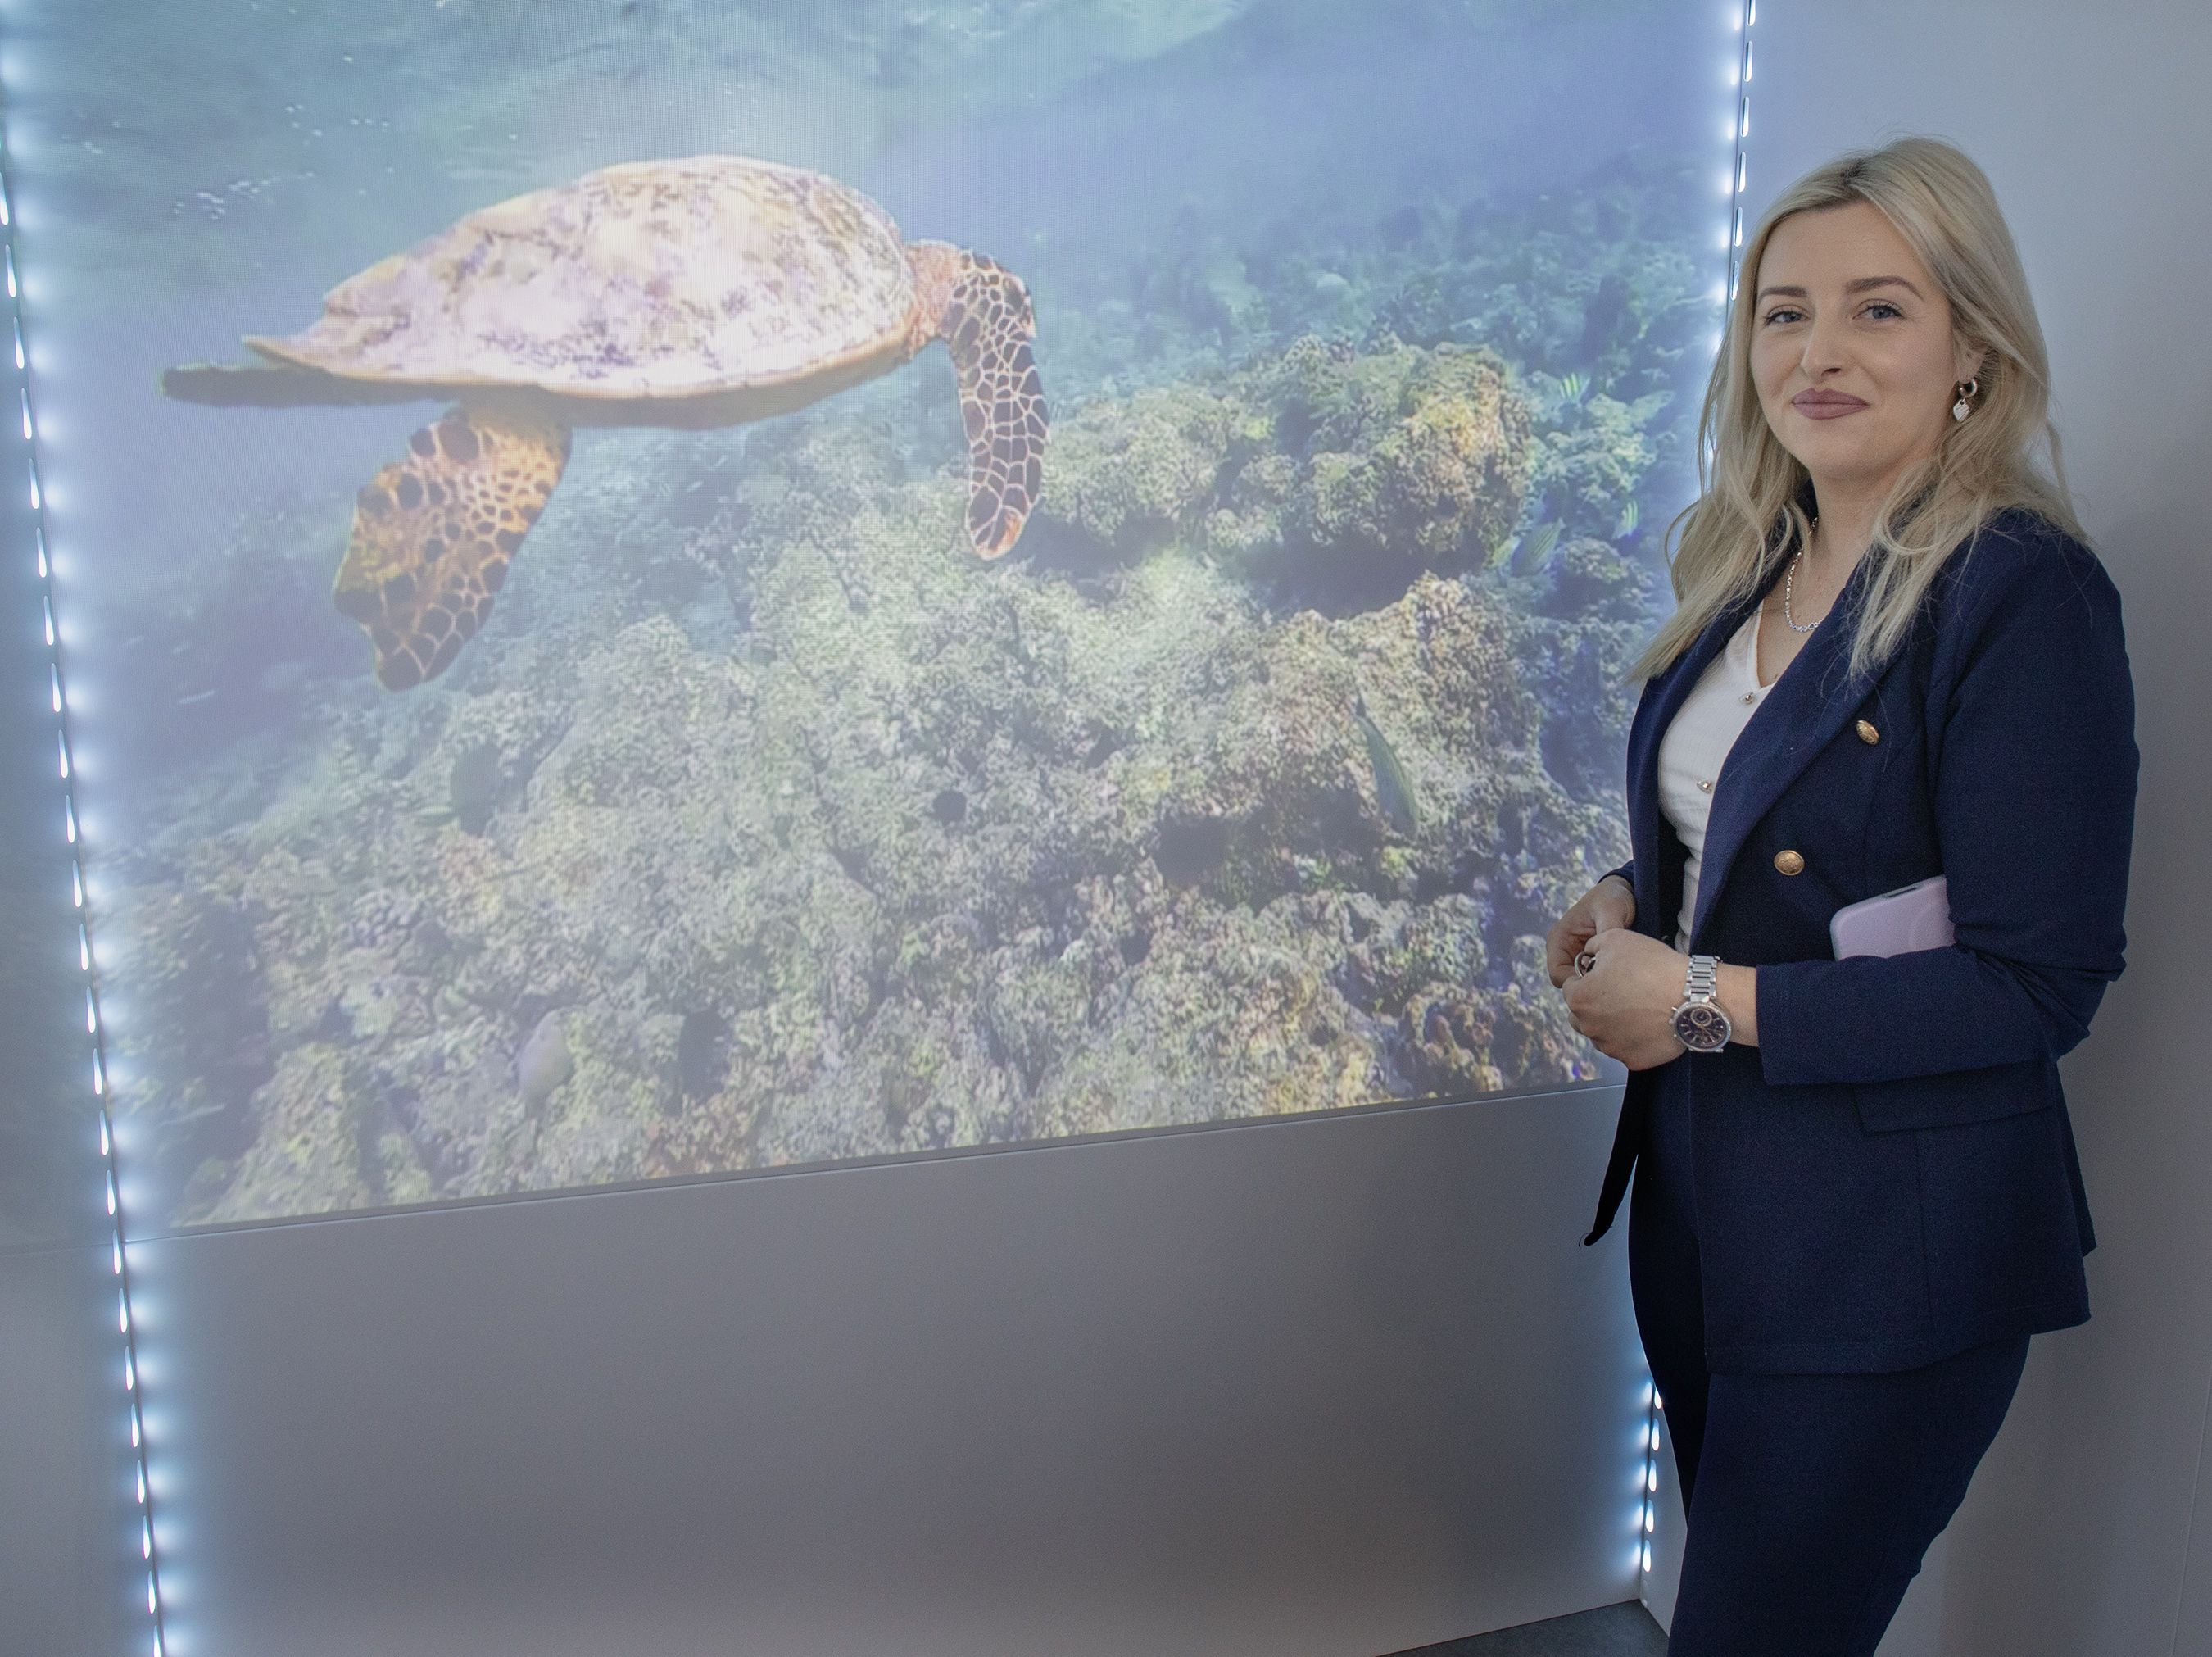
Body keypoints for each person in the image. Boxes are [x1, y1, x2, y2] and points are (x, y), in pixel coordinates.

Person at [1544, 136, 2137, 1655]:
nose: (1815, 351)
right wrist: (1633, 892)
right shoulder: (1751, 563)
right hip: (1706, 1213)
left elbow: (2036, 983)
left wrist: (1689, 995)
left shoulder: (2019, 593)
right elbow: (1758, 829)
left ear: (1973, 352)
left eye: (1878, 309)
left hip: (1890, 1255)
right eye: (1782, 311)